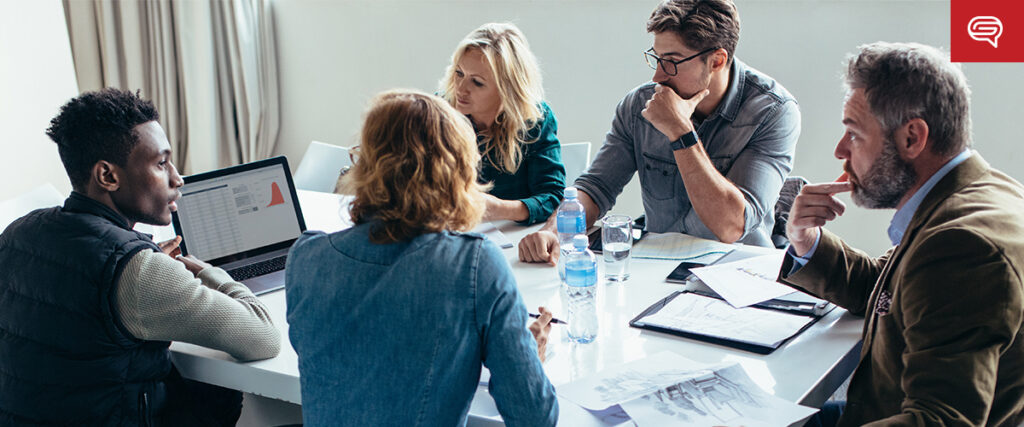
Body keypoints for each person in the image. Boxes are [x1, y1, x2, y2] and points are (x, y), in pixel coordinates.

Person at [0, 88, 281, 425]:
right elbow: (264, 339)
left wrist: (139, 261)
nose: (178, 178)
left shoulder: (19, 231)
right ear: (108, 176)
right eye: (161, 163)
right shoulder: (138, 270)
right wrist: (210, 273)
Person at [781, 42, 1024, 426]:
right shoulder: (980, 189)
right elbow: (895, 291)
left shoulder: (961, 246)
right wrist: (807, 242)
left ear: (912, 137)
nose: (840, 150)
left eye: (854, 133)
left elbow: (939, 422)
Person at [286, 89, 558, 426]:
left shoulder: (306, 258)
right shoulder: (473, 264)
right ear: (459, 173)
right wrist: (528, 357)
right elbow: (535, 417)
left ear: (364, 164)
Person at [519, 0, 800, 263]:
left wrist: (681, 131)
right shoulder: (638, 106)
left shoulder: (774, 111)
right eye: (657, 58)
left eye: (672, 61)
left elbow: (731, 226)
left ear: (716, 60)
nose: (658, 76)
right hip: (658, 265)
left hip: (736, 272)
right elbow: (596, 188)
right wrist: (554, 231)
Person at [439, 22, 566, 225]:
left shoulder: (536, 120)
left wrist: (499, 209)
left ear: (507, 90)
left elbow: (552, 197)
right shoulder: (438, 112)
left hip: (514, 239)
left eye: (477, 82)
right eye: (459, 73)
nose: (461, 89)